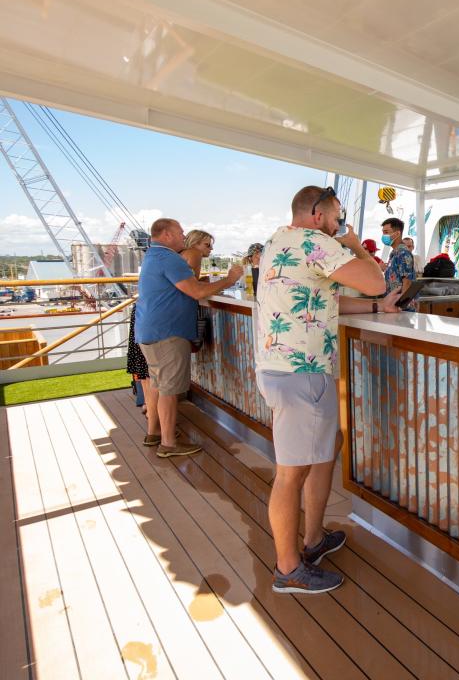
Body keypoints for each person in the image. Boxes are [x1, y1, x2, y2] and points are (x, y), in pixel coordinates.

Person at [256, 185, 402, 595]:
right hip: (302, 373)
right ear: (318, 214)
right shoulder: (315, 242)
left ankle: (314, 540)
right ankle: (288, 569)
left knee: (323, 451)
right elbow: (374, 281)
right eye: (338, 216)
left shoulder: (278, 242)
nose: (341, 224)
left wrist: (378, 308)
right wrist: (356, 245)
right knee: (291, 474)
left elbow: (323, 300)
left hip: (283, 369)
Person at [136, 218, 243, 457]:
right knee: (169, 390)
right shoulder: (169, 258)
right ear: (166, 235)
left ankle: (154, 433)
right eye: (180, 232)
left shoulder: (153, 256)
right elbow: (195, 291)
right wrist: (230, 279)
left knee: (158, 384)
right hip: (168, 332)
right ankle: (168, 445)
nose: (184, 236)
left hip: (150, 329)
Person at [381, 217, 415, 295]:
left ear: (397, 234)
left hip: (401, 305)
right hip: (392, 302)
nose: (383, 236)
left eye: (386, 232)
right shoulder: (394, 254)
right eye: (383, 232)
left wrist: (400, 305)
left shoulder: (403, 254)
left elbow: (407, 282)